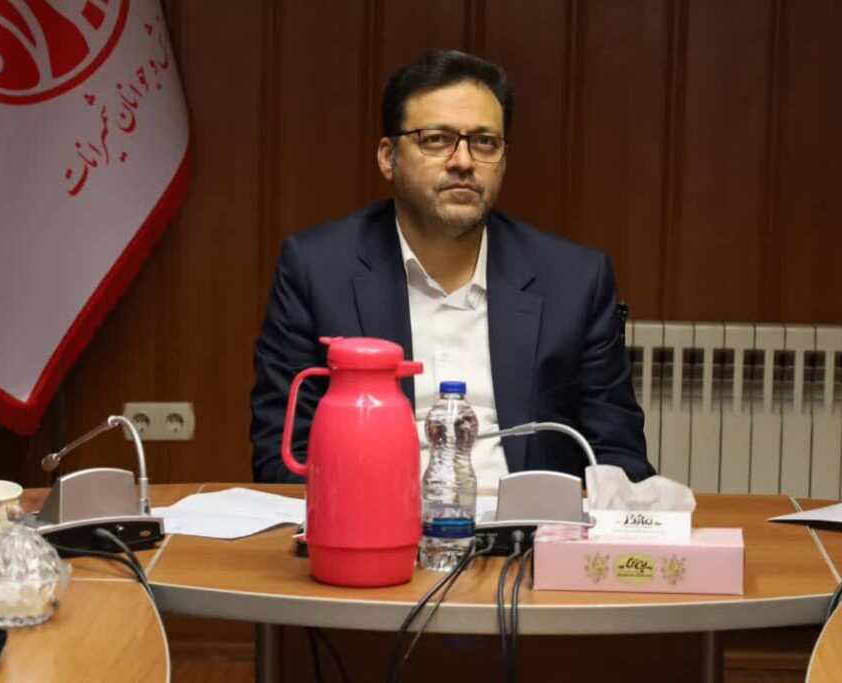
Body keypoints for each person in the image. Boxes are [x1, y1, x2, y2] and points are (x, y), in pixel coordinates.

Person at [250, 49, 653, 487]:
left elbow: (620, 459)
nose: (463, 161)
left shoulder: (574, 280)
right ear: (388, 157)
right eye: (436, 139)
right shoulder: (317, 270)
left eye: (485, 142)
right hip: (372, 517)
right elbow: (283, 457)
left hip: (526, 524)